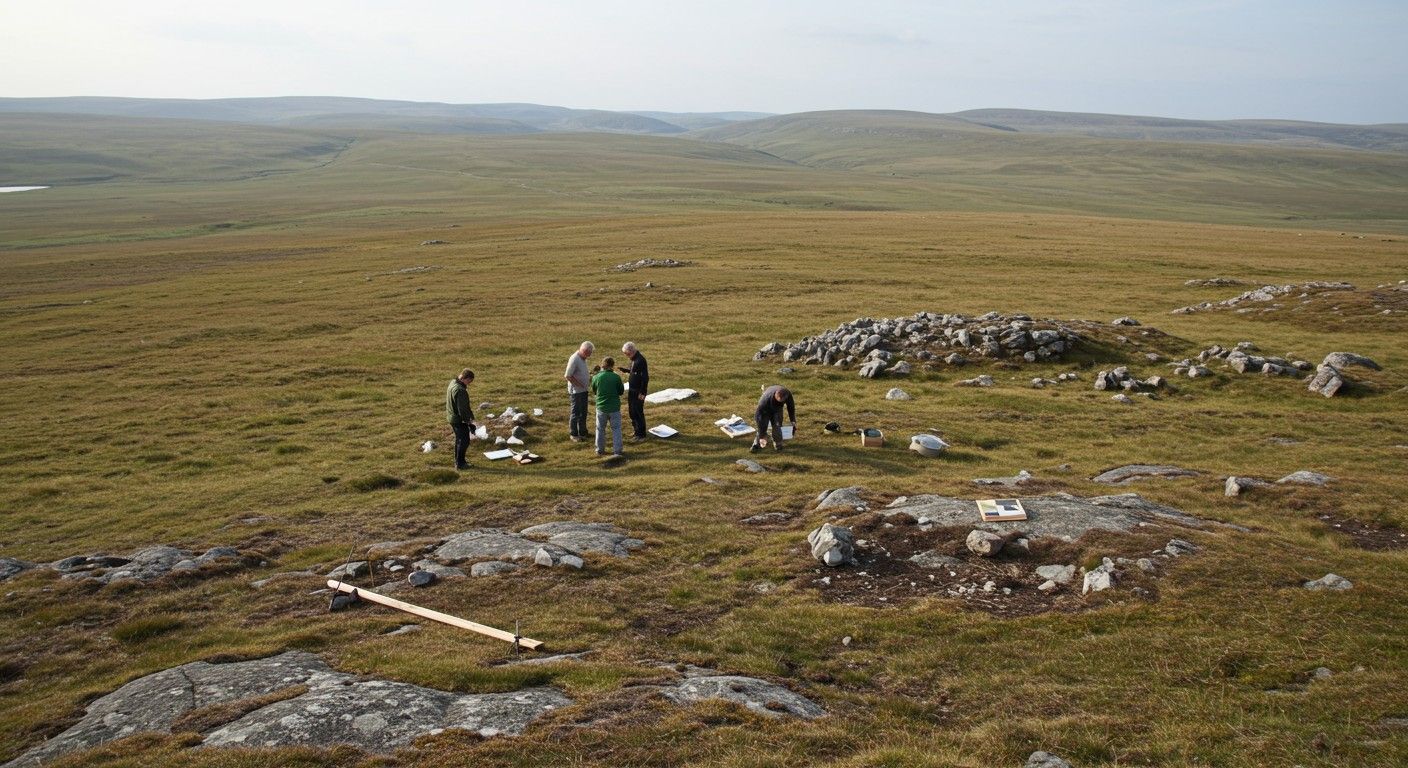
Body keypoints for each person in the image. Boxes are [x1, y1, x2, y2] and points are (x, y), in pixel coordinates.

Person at [591, 356, 626, 456]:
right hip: (614, 407)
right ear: (612, 365)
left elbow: (594, 390)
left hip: (601, 407)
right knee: (616, 429)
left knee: (600, 429)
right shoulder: (616, 377)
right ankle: (617, 451)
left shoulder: (596, 377)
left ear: (603, 365)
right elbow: (621, 391)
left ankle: (599, 450)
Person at [445, 368, 477, 470]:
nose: (469, 384)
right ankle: (460, 464)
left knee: (459, 440)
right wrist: (469, 422)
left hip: (451, 417)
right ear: (465, 378)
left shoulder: (453, 383)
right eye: (469, 381)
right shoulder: (460, 390)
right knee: (464, 441)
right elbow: (462, 409)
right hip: (458, 420)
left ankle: (459, 461)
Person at [564, 341, 593, 442]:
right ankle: (574, 434)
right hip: (576, 392)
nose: (589, 356)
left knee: (583, 412)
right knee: (576, 413)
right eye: (589, 353)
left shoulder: (583, 358)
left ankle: (583, 432)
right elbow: (568, 375)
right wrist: (579, 385)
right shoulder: (575, 359)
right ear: (584, 351)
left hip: (583, 390)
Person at [752, 384, 795, 453]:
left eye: (782, 401)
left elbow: (791, 407)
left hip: (777, 410)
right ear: (776, 396)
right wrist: (762, 435)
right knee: (762, 428)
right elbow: (759, 418)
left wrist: (792, 420)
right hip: (764, 411)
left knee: (777, 427)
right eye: (779, 401)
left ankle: (778, 446)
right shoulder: (764, 401)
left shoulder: (787, 394)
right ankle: (756, 445)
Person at [621, 341, 649, 441]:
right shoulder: (634, 359)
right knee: (632, 411)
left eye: (627, 353)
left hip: (638, 391)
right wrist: (626, 370)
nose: (626, 355)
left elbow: (645, 378)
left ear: (631, 351)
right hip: (632, 390)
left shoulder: (640, 360)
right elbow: (635, 372)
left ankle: (641, 434)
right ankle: (636, 431)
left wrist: (642, 392)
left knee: (638, 412)